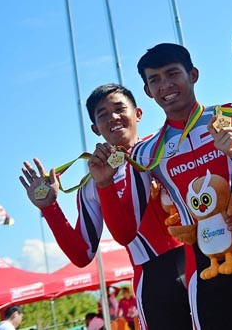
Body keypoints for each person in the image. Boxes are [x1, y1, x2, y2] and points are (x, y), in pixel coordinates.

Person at [96, 43, 232, 330]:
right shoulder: (147, 152)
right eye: (154, 79)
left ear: (193, 74)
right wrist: (105, 185)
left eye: (172, 73)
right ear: (147, 91)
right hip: (202, 270)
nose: (165, 85)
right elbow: (125, 232)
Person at [18, 84, 192, 330]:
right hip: (154, 282)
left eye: (120, 108)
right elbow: (82, 254)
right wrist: (50, 208)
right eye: (103, 115)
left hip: (201, 256)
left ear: (138, 113)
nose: (113, 117)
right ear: (95, 128)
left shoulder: (167, 147)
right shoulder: (92, 183)